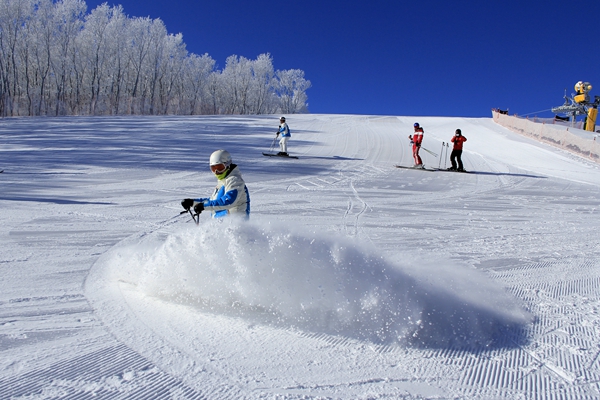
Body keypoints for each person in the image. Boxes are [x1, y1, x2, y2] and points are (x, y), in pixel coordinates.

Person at [181, 149, 250, 219]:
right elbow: (213, 201)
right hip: (223, 222)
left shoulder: (235, 180)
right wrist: (193, 202)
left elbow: (228, 201)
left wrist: (204, 206)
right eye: (213, 168)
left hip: (235, 222)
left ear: (228, 164)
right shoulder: (223, 181)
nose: (216, 172)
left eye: (220, 168)